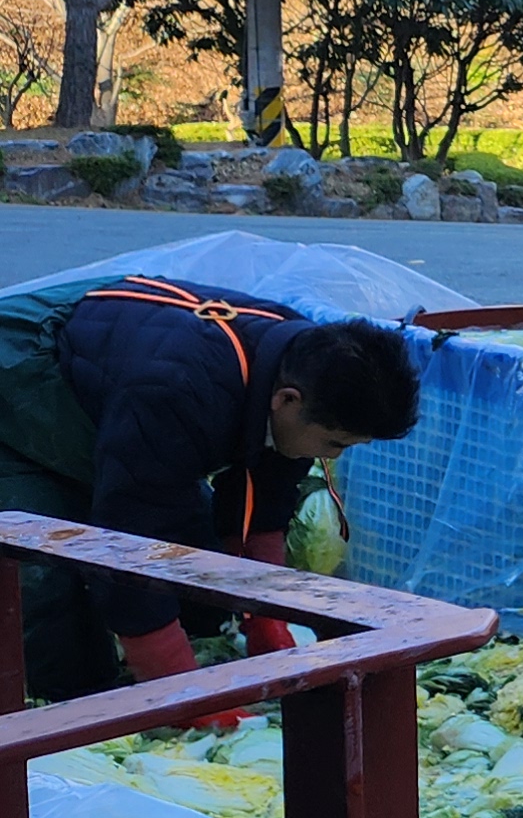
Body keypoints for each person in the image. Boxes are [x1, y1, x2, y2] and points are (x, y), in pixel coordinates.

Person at [0, 271, 421, 700]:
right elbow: (125, 546)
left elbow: (264, 499)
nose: (333, 457)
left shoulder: (303, 360)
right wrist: (183, 697)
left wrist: (267, 620)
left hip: (114, 371)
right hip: (19, 371)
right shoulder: (178, 392)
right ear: (287, 401)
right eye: (334, 443)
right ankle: (67, 706)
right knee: (46, 567)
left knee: (193, 549)